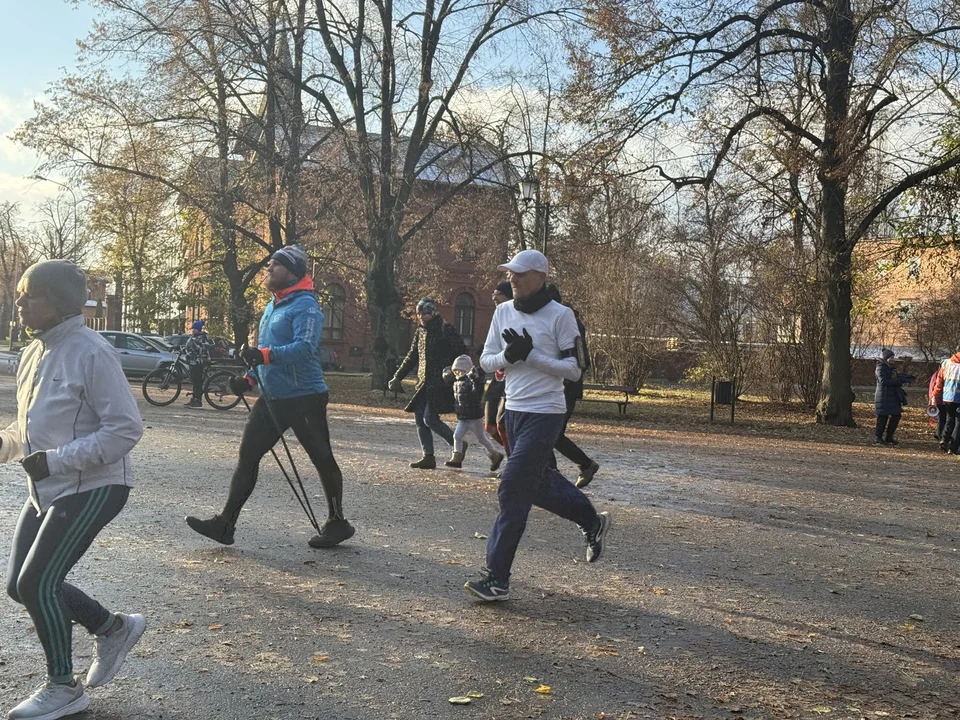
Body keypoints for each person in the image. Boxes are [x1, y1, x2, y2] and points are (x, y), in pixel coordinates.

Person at [2, 260, 146, 720]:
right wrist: (5, 443)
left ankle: (64, 688)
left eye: (30, 294)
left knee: (37, 581)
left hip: (94, 485)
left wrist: (56, 461)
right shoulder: (33, 353)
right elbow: (29, 428)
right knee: (19, 587)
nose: (20, 301)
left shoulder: (92, 351)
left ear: (60, 301)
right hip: (48, 486)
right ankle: (113, 628)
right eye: (20, 294)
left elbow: (125, 430)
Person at [185, 244, 355, 549]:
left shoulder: (306, 306)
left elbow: (305, 349)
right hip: (273, 396)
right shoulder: (272, 306)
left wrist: (263, 356)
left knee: (321, 458)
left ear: (291, 271)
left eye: (274, 265)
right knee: (248, 455)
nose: (268, 269)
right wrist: (248, 379)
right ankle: (225, 524)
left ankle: (338, 522)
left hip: (305, 396)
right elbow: (262, 357)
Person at [466, 249, 611, 602]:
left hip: (546, 413)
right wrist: (509, 357)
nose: (512, 278)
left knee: (513, 486)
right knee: (536, 483)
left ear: (541, 277)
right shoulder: (502, 312)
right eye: (510, 273)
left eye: (520, 273)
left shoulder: (562, 316)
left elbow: (574, 370)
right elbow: (486, 362)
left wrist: (532, 356)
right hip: (513, 411)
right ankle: (591, 520)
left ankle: (496, 578)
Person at [388, 297, 468, 469]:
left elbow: (462, 353)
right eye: (419, 314)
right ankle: (428, 456)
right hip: (422, 382)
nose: (422, 317)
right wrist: (397, 376)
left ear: (433, 312)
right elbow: (412, 356)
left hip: (439, 382)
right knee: (419, 418)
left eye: (425, 313)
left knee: (430, 418)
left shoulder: (446, 329)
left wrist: (453, 371)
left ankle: (458, 444)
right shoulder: (420, 332)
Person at [544, 284, 600, 488]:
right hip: (559, 384)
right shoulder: (557, 319)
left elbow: (580, 358)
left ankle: (560, 473)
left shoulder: (569, 322)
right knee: (548, 432)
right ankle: (556, 473)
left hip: (565, 385)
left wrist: (566, 377)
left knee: (551, 434)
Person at [442, 354, 505, 470]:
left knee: (481, 438)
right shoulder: (456, 382)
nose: (456, 373)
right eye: (455, 371)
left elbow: (478, 390)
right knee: (457, 436)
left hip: (474, 416)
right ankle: (456, 457)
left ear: (466, 371)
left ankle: (495, 455)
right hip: (463, 416)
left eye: (459, 371)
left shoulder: (471, 381)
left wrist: (475, 379)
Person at [484, 282, 512, 450]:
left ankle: (516, 461)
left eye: (498, 294)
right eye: (493, 294)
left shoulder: (516, 317)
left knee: (502, 425)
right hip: (497, 376)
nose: (494, 297)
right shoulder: (498, 316)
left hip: (511, 378)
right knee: (490, 426)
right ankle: (516, 457)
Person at [874, 348, 914, 446]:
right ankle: (879, 437)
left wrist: (905, 378)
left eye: (893, 357)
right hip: (883, 397)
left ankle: (889, 437)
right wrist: (898, 381)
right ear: (886, 358)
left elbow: (894, 377)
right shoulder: (880, 368)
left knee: (896, 416)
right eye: (891, 357)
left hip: (892, 396)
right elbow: (883, 381)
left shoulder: (891, 368)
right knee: (883, 417)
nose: (893, 359)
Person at [933, 349, 960, 453]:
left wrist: (935, 395)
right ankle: (953, 447)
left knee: (949, 419)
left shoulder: (946, 363)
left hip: (948, 397)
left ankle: (944, 439)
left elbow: (939, 381)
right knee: (958, 422)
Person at [183, 319, 212, 409]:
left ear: (198, 329)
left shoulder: (201, 338)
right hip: (193, 361)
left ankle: (198, 401)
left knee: (197, 382)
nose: (192, 330)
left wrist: (191, 351)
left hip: (198, 362)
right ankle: (194, 398)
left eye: (194, 329)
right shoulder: (195, 337)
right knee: (195, 381)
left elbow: (199, 349)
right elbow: (189, 347)